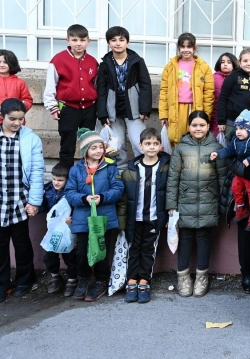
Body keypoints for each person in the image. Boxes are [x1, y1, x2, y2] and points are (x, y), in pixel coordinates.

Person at [0, 98, 44, 303]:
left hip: (20, 201)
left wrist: (34, 202)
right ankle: (0, 284)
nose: (17, 123)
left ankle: (25, 279)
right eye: (12, 119)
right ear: (1, 116)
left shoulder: (31, 139)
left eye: (21, 119)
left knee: (22, 242)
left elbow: (37, 172)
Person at [167, 112, 226, 298]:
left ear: (209, 126)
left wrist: (222, 204)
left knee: (204, 238)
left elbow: (223, 178)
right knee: (185, 239)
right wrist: (171, 204)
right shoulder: (181, 149)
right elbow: (172, 178)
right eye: (194, 125)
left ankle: (202, 276)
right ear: (189, 126)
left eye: (202, 125)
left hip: (209, 202)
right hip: (185, 202)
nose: (198, 128)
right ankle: (183, 277)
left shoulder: (216, 147)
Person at [65, 128, 124, 302]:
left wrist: (103, 197)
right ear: (85, 151)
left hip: (103, 217)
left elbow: (118, 189)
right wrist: (84, 199)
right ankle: (83, 279)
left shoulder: (110, 167)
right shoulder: (76, 170)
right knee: (82, 253)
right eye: (94, 148)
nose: (98, 151)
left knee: (101, 251)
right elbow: (69, 192)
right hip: (83, 218)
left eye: (100, 147)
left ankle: (100, 281)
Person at [117, 128, 170, 304]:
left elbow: (169, 193)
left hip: (154, 217)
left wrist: (169, 217)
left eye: (155, 143)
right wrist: (122, 222)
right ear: (140, 146)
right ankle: (132, 281)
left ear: (160, 146)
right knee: (134, 249)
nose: (151, 147)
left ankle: (144, 281)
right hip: (135, 218)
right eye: (147, 143)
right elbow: (124, 200)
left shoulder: (165, 167)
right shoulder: (131, 170)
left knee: (148, 250)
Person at [96, 26, 152, 171]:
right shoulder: (105, 64)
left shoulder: (137, 61)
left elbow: (145, 85)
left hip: (133, 109)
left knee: (139, 142)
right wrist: (102, 114)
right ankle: (120, 175)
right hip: (113, 111)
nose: (118, 43)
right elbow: (101, 90)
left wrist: (145, 108)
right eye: (113, 40)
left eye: (121, 40)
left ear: (127, 42)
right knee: (116, 146)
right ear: (108, 43)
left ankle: (143, 171)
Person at [43, 24, 98, 168]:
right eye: (74, 40)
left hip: (89, 108)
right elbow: (50, 85)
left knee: (90, 143)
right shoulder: (58, 60)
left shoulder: (93, 62)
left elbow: (97, 85)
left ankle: (88, 174)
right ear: (67, 40)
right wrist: (53, 107)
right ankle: (65, 177)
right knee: (67, 144)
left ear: (88, 41)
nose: (78, 44)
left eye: (82, 40)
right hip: (68, 108)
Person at [211, 109, 250, 231]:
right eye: (237, 129)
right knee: (235, 188)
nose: (238, 132)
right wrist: (218, 154)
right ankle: (241, 208)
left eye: (242, 129)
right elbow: (228, 150)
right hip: (241, 174)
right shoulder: (235, 141)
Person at [159, 32, 214, 147]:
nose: (186, 50)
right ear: (178, 47)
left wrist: (206, 114)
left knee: (194, 136)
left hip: (194, 107)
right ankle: (176, 161)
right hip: (175, 108)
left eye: (189, 46)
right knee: (175, 137)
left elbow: (208, 93)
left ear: (195, 48)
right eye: (182, 46)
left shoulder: (203, 67)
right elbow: (164, 91)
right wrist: (164, 114)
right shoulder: (170, 66)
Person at [40, 162, 77, 296]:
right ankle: (55, 276)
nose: (56, 183)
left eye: (60, 180)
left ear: (67, 180)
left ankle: (72, 279)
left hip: (68, 229)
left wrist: (72, 217)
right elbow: (44, 206)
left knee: (70, 255)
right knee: (50, 255)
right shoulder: (48, 189)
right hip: (53, 229)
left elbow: (77, 206)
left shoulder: (71, 192)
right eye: (54, 179)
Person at [217, 48, 250, 141]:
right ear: (239, 63)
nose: (248, 63)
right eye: (245, 61)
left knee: (248, 147)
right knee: (230, 146)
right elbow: (222, 98)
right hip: (231, 121)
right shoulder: (233, 76)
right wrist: (221, 121)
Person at [0, 49, 33, 128]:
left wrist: (18, 108)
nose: (1, 65)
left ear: (12, 63)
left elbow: (27, 100)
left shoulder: (20, 82)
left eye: (5, 62)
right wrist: (5, 107)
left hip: (15, 122)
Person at [210, 52, 239, 136]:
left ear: (234, 64)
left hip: (231, 114)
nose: (225, 64)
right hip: (215, 112)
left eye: (229, 62)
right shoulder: (213, 77)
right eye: (223, 62)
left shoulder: (237, 78)